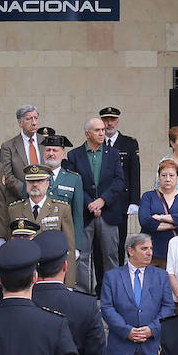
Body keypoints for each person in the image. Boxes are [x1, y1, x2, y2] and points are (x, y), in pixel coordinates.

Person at [66, 117, 126, 293]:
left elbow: (119, 181)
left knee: (110, 255)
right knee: (82, 256)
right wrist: (90, 203)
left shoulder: (113, 153)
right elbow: (74, 182)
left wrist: (103, 200)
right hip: (84, 213)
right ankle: (83, 293)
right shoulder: (74, 155)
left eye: (102, 130)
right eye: (97, 130)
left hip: (108, 212)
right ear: (87, 134)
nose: (102, 133)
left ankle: (112, 293)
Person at [6, 164, 77, 285]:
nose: (35, 184)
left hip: (51, 275)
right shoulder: (14, 209)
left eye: (39, 181)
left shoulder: (61, 209)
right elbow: (10, 245)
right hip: (24, 275)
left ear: (48, 183)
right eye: (31, 181)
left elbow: (69, 249)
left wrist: (69, 283)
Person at [100, 106, 141, 261]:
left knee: (120, 241)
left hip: (121, 200)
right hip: (101, 200)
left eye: (112, 120)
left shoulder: (129, 143)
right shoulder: (97, 142)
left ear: (118, 121)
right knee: (100, 244)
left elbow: (134, 173)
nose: (109, 123)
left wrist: (134, 201)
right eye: (106, 120)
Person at [138, 158, 178, 268]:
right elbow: (145, 221)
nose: (167, 179)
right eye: (164, 175)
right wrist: (176, 224)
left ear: (177, 177)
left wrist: (160, 217)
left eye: (171, 175)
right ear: (159, 177)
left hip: (177, 251)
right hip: (152, 251)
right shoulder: (148, 196)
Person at [42, 133, 86, 243]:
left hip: (64, 236)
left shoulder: (74, 179)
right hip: (39, 235)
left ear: (63, 154)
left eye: (55, 150)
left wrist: (77, 245)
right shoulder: (33, 177)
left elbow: (78, 215)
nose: (51, 154)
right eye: (48, 150)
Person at [0, 104, 44, 201]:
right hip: (20, 200)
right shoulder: (8, 146)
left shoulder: (46, 142)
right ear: (20, 123)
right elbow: (7, 175)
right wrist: (27, 191)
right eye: (29, 119)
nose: (34, 122)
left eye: (36, 118)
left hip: (46, 197)